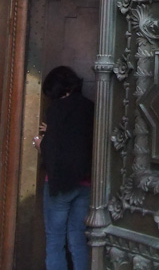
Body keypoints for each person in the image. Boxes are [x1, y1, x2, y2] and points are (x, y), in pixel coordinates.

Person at [33, 66, 94, 270]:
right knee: (78, 239)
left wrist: (40, 144)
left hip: (60, 184)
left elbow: (52, 150)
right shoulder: (90, 107)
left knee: (55, 240)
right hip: (85, 183)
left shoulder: (56, 109)